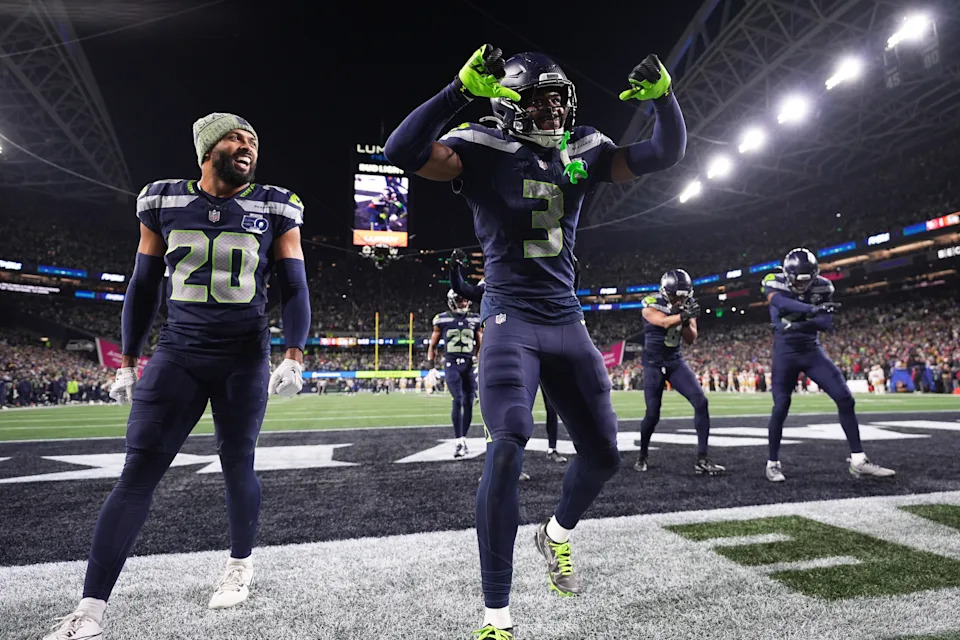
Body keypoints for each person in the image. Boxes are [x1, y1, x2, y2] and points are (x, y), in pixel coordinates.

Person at [385, 44, 685, 638]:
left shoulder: (586, 147)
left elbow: (664, 152)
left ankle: (555, 536)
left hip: (566, 317)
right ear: (512, 104)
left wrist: (665, 100)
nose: (553, 111)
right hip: (508, 316)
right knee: (507, 442)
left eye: (559, 99)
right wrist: (456, 91)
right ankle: (497, 616)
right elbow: (401, 152)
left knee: (604, 456)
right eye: (540, 99)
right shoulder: (480, 142)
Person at [43, 113, 310, 640]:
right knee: (137, 470)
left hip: (242, 355)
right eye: (236, 137)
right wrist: (127, 360)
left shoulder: (277, 204)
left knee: (238, 462)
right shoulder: (160, 199)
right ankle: (90, 610)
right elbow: (143, 287)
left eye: (253, 139)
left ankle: (239, 562)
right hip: (179, 353)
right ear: (207, 149)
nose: (247, 145)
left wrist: (294, 352)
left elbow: (295, 285)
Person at [762, 248, 894, 482]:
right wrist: (810, 310)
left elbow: (824, 322)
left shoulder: (823, 286)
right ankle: (772, 463)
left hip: (812, 351)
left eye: (807, 280)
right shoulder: (774, 281)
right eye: (798, 281)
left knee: (845, 398)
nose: (802, 286)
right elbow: (780, 302)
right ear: (787, 274)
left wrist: (797, 326)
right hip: (785, 353)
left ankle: (858, 460)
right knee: (781, 405)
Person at [634, 269, 724, 475]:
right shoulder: (650, 302)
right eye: (676, 295)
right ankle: (643, 454)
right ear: (666, 291)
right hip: (653, 363)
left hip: (675, 361)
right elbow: (663, 322)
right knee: (652, 413)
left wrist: (685, 320)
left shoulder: (687, 305)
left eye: (683, 294)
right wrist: (682, 314)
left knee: (701, 402)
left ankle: (702, 458)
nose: (680, 299)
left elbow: (691, 338)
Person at [429, 288, 483, 458]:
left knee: (469, 401)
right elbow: (433, 345)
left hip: (468, 364)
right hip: (451, 364)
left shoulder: (475, 319)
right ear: (452, 301)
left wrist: (479, 363)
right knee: (458, 398)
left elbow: (480, 344)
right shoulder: (442, 319)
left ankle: (463, 439)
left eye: (465, 300)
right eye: (460, 300)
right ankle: (459, 440)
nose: (464, 303)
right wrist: (432, 366)